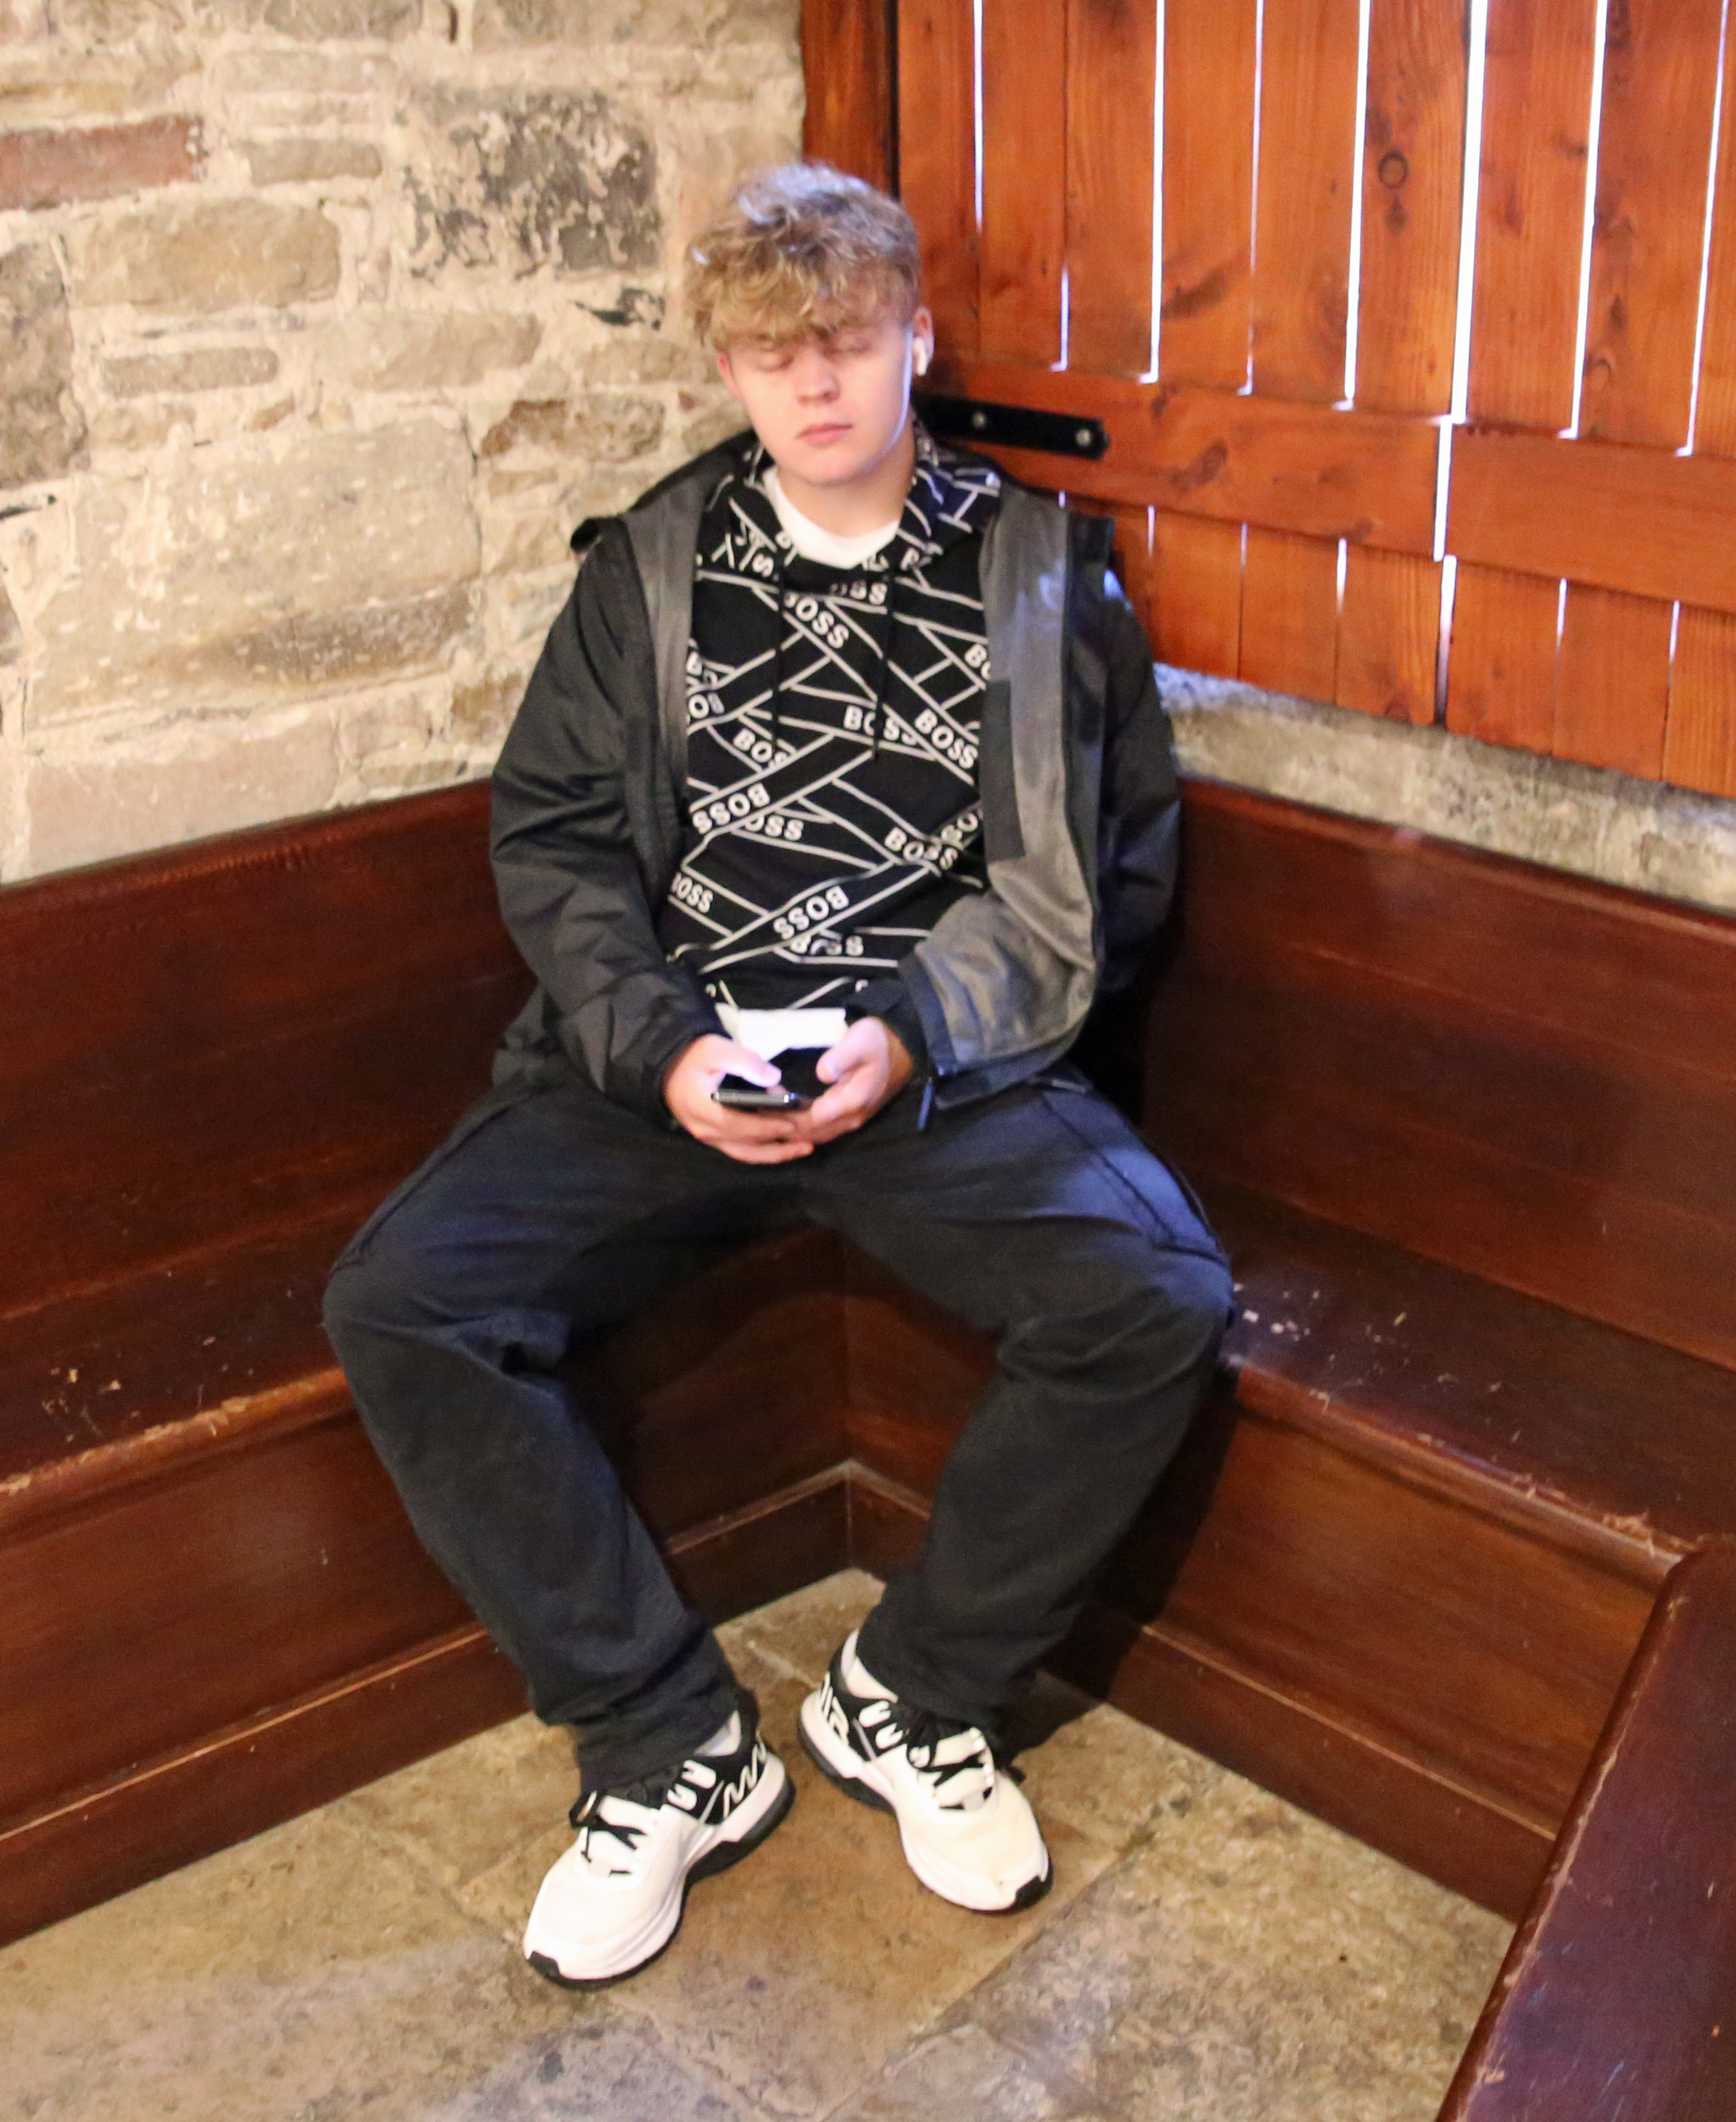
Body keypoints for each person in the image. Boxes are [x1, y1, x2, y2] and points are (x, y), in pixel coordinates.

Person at [322, 161, 1233, 1990]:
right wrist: (663, 1047)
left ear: (914, 338)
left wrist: (911, 1035)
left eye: (843, 338)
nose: (811, 382)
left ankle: (914, 1695)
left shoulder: (1041, 574)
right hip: (673, 1061)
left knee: (1155, 1299)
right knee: (404, 1299)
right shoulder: (649, 568)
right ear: (727, 369)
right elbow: (557, 840)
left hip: (934, 1065)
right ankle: (667, 1743)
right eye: (767, 351)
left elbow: (1100, 870)